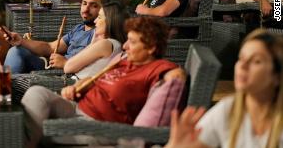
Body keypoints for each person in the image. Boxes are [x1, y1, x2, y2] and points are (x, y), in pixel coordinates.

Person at [22, 17, 179, 147]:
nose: (124, 46)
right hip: (77, 107)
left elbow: (176, 78)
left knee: (36, 134)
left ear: (151, 47)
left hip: (99, 125)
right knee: (37, 93)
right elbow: (96, 80)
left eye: (131, 42)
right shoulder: (126, 61)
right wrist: (78, 86)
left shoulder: (160, 69)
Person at [166, 29, 283, 148]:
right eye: (241, 58)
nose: (242, 66)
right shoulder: (229, 109)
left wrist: (276, 12)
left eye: (256, 61)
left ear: (278, 76)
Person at [2, 0, 110, 73]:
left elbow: (93, 66)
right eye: (84, 3)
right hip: (54, 68)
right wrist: (21, 41)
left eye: (94, 6)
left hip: (67, 75)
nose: (86, 9)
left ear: (104, 10)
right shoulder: (78, 29)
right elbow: (50, 47)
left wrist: (66, 63)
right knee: (16, 50)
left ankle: (5, 92)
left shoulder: (99, 34)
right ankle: (4, 92)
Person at [63, 1, 127, 80]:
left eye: (99, 17)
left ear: (109, 21)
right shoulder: (116, 44)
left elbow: (68, 67)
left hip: (76, 85)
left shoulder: (105, 44)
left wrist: (92, 44)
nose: (95, 21)